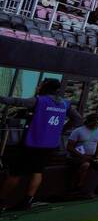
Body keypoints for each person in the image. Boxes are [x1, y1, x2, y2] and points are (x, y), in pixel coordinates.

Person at [1, 78, 82, 211]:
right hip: (49, 144)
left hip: (32, 142)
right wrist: (61, 129)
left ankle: (2, 200)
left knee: (15, 173)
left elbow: (17, 102)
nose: (38, 86)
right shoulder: (65, 104)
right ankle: (27, 201)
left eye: (40, 84)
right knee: (37, 171)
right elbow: (78, 119)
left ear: (45, 86)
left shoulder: (40, 100)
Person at [65, 113, 98, 199]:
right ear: (88, 121)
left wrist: (97, 156)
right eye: (94, 121)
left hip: (92, 156)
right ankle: (78, 188)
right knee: (85, 165)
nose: (96, 123)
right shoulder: (78, 131)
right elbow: (69, 147)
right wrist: (82, 156)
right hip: (77, 156)